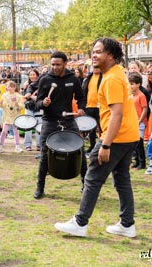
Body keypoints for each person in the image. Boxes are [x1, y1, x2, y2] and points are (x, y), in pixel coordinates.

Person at [54, 38, 139, 238]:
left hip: (116, 137)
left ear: (110, 54)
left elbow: (116, 114)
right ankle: (127, 224)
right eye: (93, 51)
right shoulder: (117, 73)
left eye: (98, 51)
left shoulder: (111, 79)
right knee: (121, 179)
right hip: (129, 135)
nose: (93, 55)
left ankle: (80, 222)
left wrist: (106, 144)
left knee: (92, 178)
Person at [32, 51, 87, 199]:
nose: (55, 67)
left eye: (58, 64)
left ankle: (86, 186)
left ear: (65, 64)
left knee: (80, 152)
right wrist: (43, 103)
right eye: (53, 64)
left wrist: (81, 108)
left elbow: (81, 97)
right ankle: (40, 188)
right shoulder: (45, 80)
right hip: (49, 121)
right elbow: (36, 103)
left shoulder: (73, 79)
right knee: (44, 155)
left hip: (68, 121)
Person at [0, 81, 24, 153]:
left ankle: (17, 146)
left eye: (12, 87)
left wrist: (16, 103)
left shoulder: (18, 96)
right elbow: (1, 106)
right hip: (7, 116)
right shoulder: (4, 95)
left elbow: (22, 106)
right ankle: (0, 146)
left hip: (15, 115)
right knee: (4, 131)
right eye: (9, 86)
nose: (11, 88)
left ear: (15, 87)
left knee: (16, 131)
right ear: (7, 87)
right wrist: (1, 102)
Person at [128, 72, 147, 170]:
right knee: (134, 143)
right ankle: (137, 161)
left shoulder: (141, 95)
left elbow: (145, 108)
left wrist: (140, 120)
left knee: (139, 143)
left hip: (140, 123)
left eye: (132, 84)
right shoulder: (131, 95)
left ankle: (142, 163)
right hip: (132, 122)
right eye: (129, 83)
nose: (130, 86)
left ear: (138, 84)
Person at [82, 66, 102, 156]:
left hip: (100, 107)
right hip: (89, 106)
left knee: (101, 127)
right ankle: (92, 146)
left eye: (98, 67)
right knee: (91, 129)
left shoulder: (104, 77)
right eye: (94, 67)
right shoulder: (88, 78)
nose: (96, 69)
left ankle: (102, 146)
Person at [22, 69, 41, 151]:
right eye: (31, 75)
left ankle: (39, 144)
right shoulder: (26, 84)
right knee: (28, 126)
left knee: (39, 126)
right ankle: (28, 144)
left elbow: (40, 98)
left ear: (37, 75)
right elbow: (24, 97)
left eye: (34, 74)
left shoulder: (41, 84)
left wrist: (32, 96)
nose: (32, 76)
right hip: (29, 107)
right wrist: (24, 89)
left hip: (38, 108)